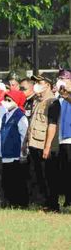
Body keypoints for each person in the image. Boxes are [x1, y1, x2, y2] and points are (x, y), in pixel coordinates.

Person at [26, 75, 61, 212]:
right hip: (35, 142)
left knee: (49, 176)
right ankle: (45, 203)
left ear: (47, 85)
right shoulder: (37, 100)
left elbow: (52, 126)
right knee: (40, 176)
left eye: (40, 82)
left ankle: (53, 205)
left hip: (45, 145)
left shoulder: (53, 102)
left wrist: (47, 146)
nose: (36, 85)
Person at [0, 90, 28, 207]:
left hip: (16, 154)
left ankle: (20, 203)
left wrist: (23, 153)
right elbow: (1, 134)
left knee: (17, 181)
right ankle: (9, 202)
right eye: (5, 100)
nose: (6, 102)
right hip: (5, 153)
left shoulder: (20, 116)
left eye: (9, 100)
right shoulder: (5, 116)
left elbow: (24, 135)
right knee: (7, 181)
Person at [56, 69, 71, 207]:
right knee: (65, 171)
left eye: (64, 78)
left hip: (70, 138)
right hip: (61, 138)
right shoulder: (59, 97)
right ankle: (67, 199)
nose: (61, 80)